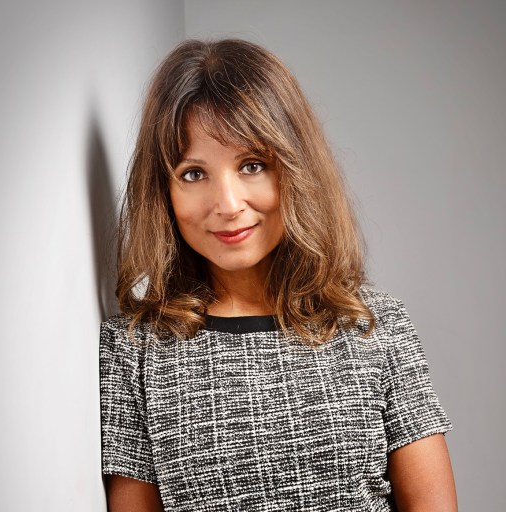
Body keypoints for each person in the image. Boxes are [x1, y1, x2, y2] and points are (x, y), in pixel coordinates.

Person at [99, 39, 457, 511]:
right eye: (192, 174)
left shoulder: (376, 325)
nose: (227, 205)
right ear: (162, 191)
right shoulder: (133, 349)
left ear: (293, 169)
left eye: (252, 166)